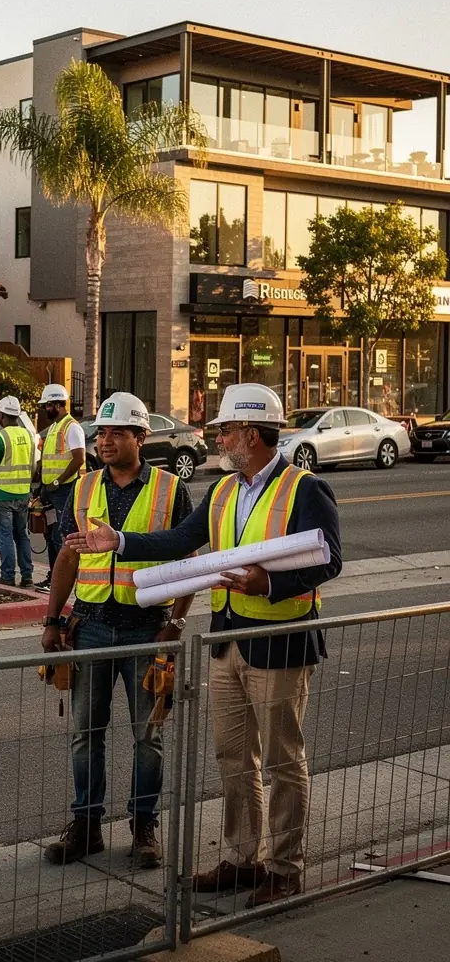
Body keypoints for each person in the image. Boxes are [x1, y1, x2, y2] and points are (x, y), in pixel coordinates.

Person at [65, 383, 342, 906]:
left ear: (254, 434)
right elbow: (178, 541)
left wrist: (268, 585)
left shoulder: (305, 489)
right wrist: (118, 541)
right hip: (228, 642)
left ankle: (284, 868)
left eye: (226, 430)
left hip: (280, 643)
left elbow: (329, 560)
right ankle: (242, 860)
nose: (218, 437)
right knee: (234, 758)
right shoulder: (224, 489)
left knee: (282, 761)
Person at [42, 392, 194, 870]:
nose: (105, 441)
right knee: (86, 734)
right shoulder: (83, 488)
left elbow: (188, 561)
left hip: (148, 631)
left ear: (141, 438)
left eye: (116, 433)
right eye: (101, 433)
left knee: (147, 736)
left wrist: (175, 622)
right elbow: (67, 555)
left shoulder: (171, 490)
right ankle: (86, 824)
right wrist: (52, 619)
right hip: (89, 628)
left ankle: (143, 825)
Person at [33, 383, 86, 592]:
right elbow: (49, 461)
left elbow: (79, 458)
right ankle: (54, 575)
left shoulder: (72, 427)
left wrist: (57, 481)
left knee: (62, 536)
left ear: (58, 404)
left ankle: (61, 578)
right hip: (52, 491)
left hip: (65, 490)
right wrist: (42, 488)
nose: (45, 409)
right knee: (50, 534)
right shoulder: (56, 426)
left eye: (48, 406)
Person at [0, 395, 35, 587]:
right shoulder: (28, 435)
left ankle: (8, 576)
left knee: (5, 537)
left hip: (2, 495)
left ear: (2, 416)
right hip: (23, 494)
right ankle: (27, 577)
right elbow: (33, 466)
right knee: (22, 536)